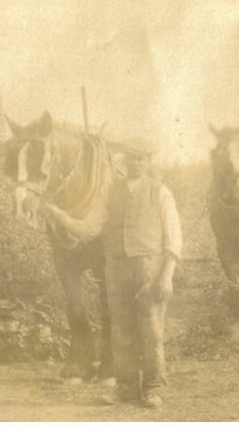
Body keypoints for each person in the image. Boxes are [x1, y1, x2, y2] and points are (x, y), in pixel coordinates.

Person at [102, 138, 182, 409]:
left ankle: (154, 388)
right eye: (131, 158)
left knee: (152, 332)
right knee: (120, 330)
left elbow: (174, 237)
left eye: (141, 159)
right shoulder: (112, 191)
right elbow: (93, 226)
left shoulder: (160, 191)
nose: (135, 163)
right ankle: (125, 388)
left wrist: (166, 275)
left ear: (148, 162)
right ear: (124, 161)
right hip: (117, 268)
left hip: (150, 269)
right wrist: (56, 215)